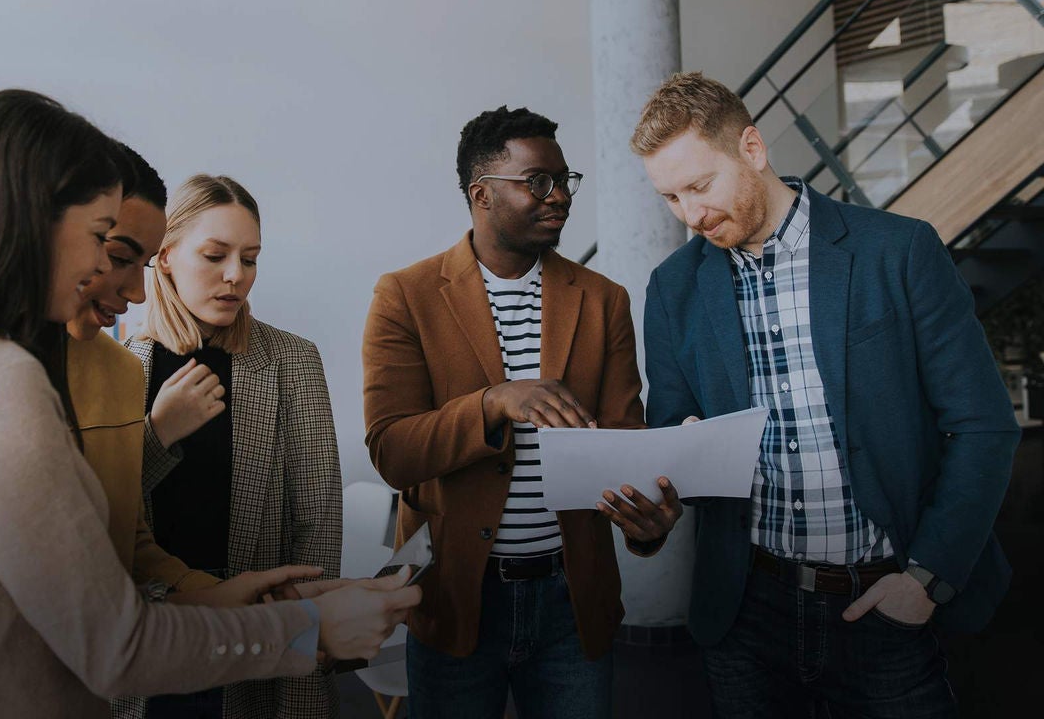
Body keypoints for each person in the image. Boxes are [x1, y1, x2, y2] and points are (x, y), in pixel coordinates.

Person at [0, 88, 418, 719]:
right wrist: (308, 630)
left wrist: (219, 599)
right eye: (104, 241)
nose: (110, 272)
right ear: (27, 219)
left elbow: (40, 607)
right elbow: (114, 646)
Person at [633, 72, 1020, 717]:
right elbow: (673, 432)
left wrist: (924, 579)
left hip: (886, 606)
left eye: (700, 186)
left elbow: (983, 426)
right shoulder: (672, 288)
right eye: (670, 198)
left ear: (752, 149)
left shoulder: (898, 251)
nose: (691, 216)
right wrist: (663, 494)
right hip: (745, 613)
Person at [361, 105, 682, 718]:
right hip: (455, 595)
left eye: (564, 180)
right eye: (538, 181)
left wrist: (647, 518)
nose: (559, 195)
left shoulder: (602, 300)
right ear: (482, 194)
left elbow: (624, 438)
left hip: (573, 598)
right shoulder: (406, 296)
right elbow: (393, 451)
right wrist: (495, 402)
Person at [126, 173, 343, 719]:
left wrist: (302, 639)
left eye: (249, 259)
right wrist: (159, 434)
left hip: (257, 633)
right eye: (215, 255)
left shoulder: (292, 361)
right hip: (150, 635)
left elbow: (317, 522)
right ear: (166, 255)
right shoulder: (119, 365)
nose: (235, 276)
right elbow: (102, 513)